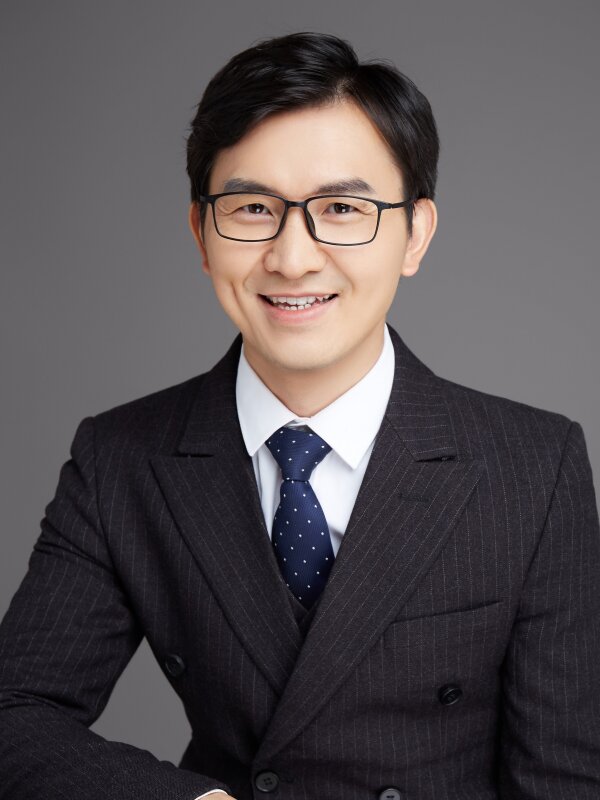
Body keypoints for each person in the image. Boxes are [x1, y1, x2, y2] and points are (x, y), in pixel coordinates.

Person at [1, 30, 599, 800]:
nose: (292, 257)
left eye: (342, 208)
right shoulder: (122, 458)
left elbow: (564, 781)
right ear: (201, 233)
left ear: (414, 234)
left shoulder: (533, 467)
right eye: (253, 208)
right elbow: (16, 712)